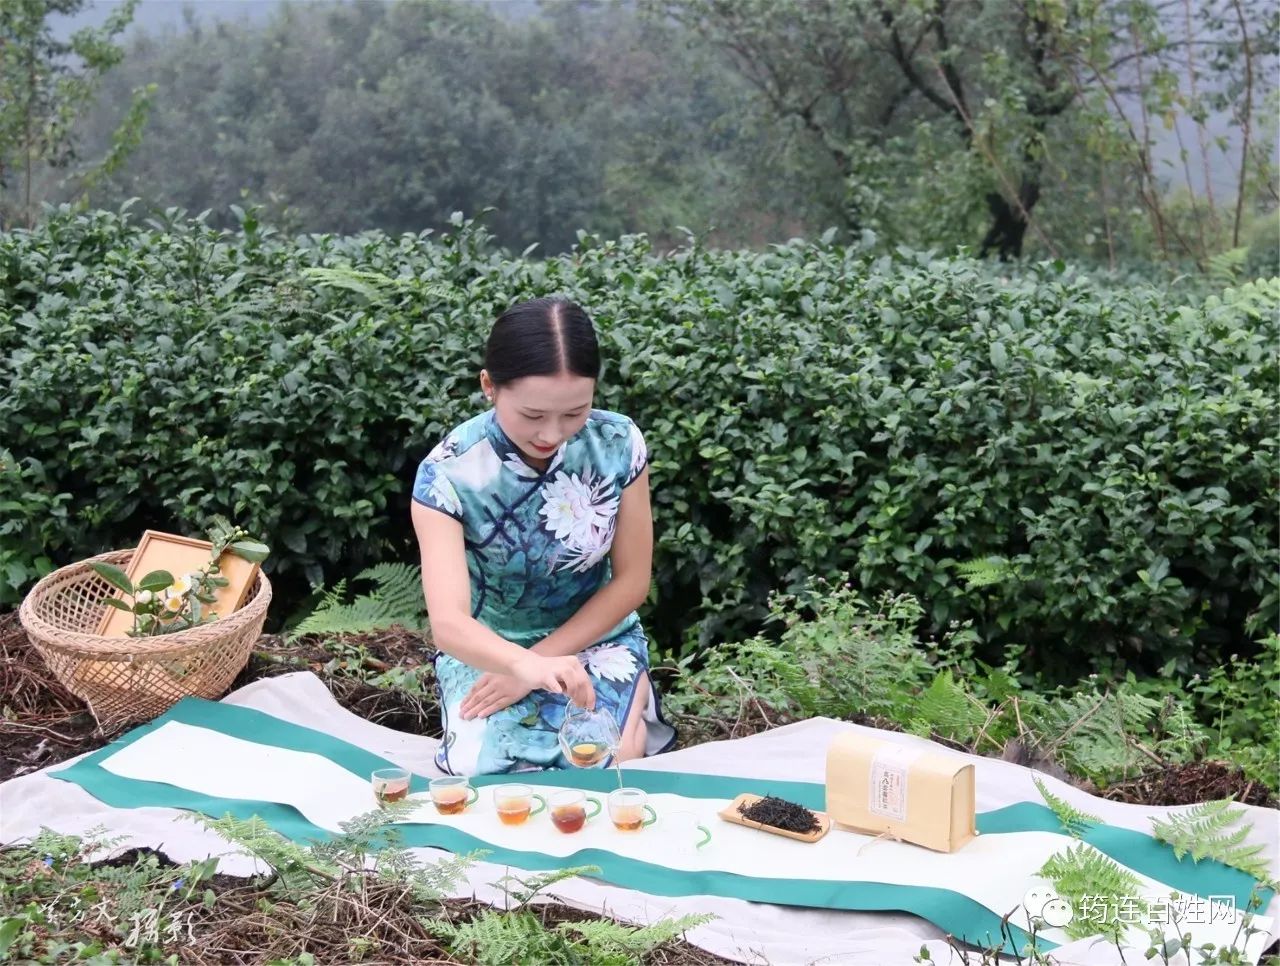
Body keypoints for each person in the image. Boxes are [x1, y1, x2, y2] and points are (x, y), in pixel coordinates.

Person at [410, 296, 677, 775]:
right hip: (488, 648)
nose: (552, 433)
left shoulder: (617, 445)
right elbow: (448, 624)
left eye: (575, 413)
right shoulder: (448, 473)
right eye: (533, 415)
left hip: (596, 639)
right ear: (489, 386)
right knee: (488, 769)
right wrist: (519, 667)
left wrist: (539, 663)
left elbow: (632, 582)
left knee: (592, 760)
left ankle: (632, 702)